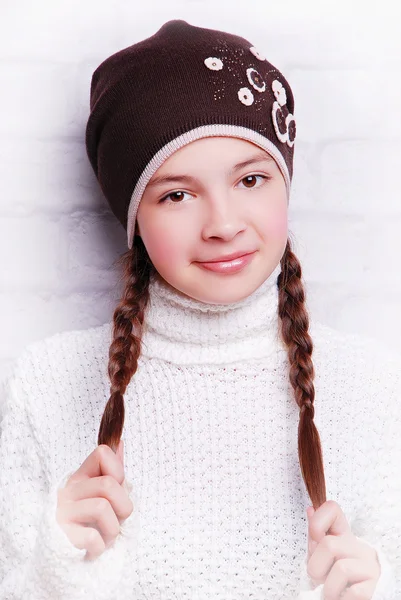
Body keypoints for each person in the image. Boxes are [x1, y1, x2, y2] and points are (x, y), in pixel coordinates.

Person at [0, 18, 399, 600]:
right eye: (177, 194)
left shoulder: (376, 387)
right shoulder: (46, 385)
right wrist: (56, 564)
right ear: (135, 220)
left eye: (252, 179)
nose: (224, 224)